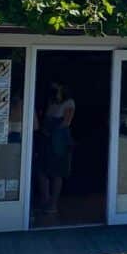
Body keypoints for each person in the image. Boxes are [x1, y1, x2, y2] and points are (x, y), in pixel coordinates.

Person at [36, 81, 75, 213]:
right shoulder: (51, 102)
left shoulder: (69, 102)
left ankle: (53, 204)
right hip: (46, 139)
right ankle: (45, 199)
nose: (53, 89)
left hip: (58, 142)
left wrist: (51, 131)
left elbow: (66, 122)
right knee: (41, 169)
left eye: (56, 87)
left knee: (57, 172)